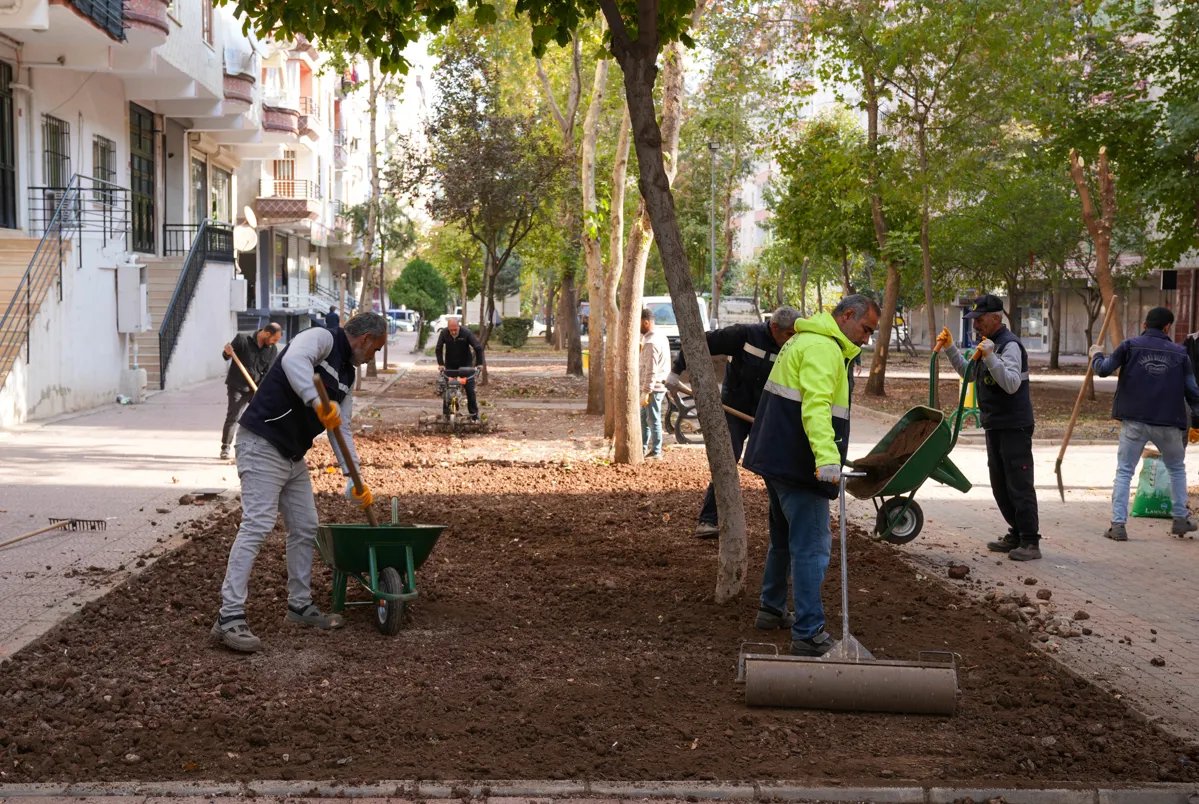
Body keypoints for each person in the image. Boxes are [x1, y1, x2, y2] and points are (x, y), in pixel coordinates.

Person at [211, 313, 388, 653]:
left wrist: (353, 477)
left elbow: (341, 428)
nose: (373, 357)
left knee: (306, 526)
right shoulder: (322, 338)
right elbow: (293, 361)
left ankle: (299, 606)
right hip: (261, 442)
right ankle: (228, 616)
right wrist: (317, 401)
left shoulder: (347, 376)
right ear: (365, 338)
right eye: (376, 349)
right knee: (257, 525)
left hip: (292, 455)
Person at [743, 295, 879, 653]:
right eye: (866, 329)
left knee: (783, 540)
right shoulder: (822, 348)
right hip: (800, 465)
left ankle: (772, 607)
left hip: (778, 459)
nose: (867, 338)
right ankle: (808, 632)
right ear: (847, 315)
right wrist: (827, 459)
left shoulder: (804, 339)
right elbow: (816, 406)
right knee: (812, 548)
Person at [666, 306, 801, 538]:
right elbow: (699, 342)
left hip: (766, 414)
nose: (792, 339)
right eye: (789, 334)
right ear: (774, 327)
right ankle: (708, 520)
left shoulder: (794, 346)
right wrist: (676, 371)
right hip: (735, 411)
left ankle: (785, 523)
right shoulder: (744, 335)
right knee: (727, 462)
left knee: (776, 467)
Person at [935, 294, 1041, 561]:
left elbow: (1012, 384)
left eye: (980, 320)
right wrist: (950, 348)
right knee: (1000, 484)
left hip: (1014, 425)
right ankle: (1016, 533)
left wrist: (991, 356)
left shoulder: (1009, 346)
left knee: (1019, 484)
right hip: (994, 423)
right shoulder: (988, 344)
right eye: (974, 320)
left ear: (996, 318)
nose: (975, 325)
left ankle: (1030, 541)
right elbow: (969, 373)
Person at [1089, 306, 1199, 540]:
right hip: (1168, 421)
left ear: (1145, 325)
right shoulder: (1180, 354)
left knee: (1124, 471)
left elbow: (1103, 370)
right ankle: (1180, 519)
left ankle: (1118, 525)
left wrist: (1096, 355)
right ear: (1168, 327)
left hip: (1134, 420)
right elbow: (1192, 392)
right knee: (1176, 469)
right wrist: (1197, 419)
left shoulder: (1129, 346)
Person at [219, 323, 282, 460]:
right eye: (274, 339)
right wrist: (227, 352)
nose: (275, 343)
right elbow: (226, 355)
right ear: (267, 334)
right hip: (237, 386)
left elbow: (267, 372)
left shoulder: (272, 349)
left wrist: (262, 391)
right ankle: (225, 447)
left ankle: (261, 449)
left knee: (262, 417)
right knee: (234, 416)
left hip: (256, 388)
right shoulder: (242, 339)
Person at [435, 316, 485, 420]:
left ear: (459, 326)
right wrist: (441, 364)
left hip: (466, 366)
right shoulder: (444, 333)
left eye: (455, 330)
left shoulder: (466, 333)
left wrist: (479, 364)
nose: (453, 332)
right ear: (448, 328)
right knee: (448, 390)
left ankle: (474, 416)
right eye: (451, 330)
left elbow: (478, 348)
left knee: (470, 391)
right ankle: (448, 415)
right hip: (450, 366)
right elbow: (438, 348)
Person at [639, 307, 671, 460]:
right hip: (655, 385)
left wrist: (646, 391)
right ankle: (642, 448)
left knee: (652, 419)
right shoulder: (659, 336)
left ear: (646, 323)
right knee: (644, 419)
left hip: (653, 387)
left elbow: (651, 370)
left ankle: (656, 451)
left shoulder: (651, 342)